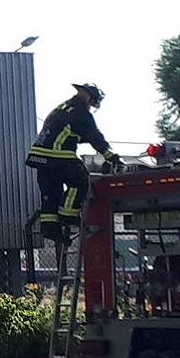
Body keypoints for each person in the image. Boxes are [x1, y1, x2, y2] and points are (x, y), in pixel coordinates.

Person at [25, 83, 122, 244]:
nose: (91, 107)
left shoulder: (60, 109)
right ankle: (68, 216)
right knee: (80, 181)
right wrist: (112, 157)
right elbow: (94, 136)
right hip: (57, 154)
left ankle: (50, 229)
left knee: (51, 194)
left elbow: (68, 131)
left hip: (40, 157)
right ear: (89, 97)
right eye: (92, 103)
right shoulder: (80, 112)